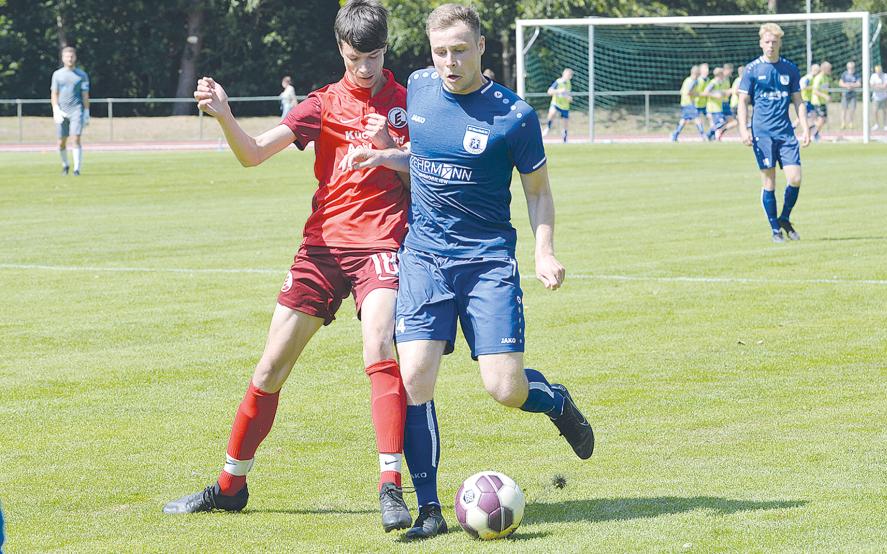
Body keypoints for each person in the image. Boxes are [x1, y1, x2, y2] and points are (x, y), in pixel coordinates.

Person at [339, 3, 594, 541]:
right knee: (413, 379)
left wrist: (543, 252)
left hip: (486, 264)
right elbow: (429, 159)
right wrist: (386, 159)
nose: (449, 62)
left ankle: (555, 400)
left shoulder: (515, 117)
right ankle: (429, 509)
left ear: (481, 47)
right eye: (440, 52)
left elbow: (539, 192)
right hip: (426, 257)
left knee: (504, 387)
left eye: (459, 50)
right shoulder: (420, 88)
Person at [162, 0, 416, 534]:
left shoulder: (410, 104)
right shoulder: (320, 105)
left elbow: (428, 183)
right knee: (269, 369)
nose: (364, 69)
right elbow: (253, 154)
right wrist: (225, 114)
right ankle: (230, 487)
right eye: (354, 58)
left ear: (385, 48)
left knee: (380, 345)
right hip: (322, 247)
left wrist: (391, 148)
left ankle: (390, 487)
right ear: (340, 51)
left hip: (383, 245)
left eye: (372, 56)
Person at [737, 23, 810, 243]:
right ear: (761, 43)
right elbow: (742, 101)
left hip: (786, 134)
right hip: (763, 134)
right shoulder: (752, 70)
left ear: (780, 43)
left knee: (795, 178)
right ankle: (775, 230)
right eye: (767, 42)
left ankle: (784, 218)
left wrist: (805, 127)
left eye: (774, 42)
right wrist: (743, 129)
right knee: (769, 183)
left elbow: (798, 101)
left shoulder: (790, 68)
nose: (770, 46)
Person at [50, 46, 90, 176]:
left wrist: (87, 112)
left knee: (76, 138)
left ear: (75, 57)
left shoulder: (82, 75)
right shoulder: (57, 75)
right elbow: (54, 94)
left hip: (76, 110)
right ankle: (65, 165)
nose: (70, 59)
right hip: (62, 111)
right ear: (63, 58)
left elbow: (85, 94)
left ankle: (77, 169)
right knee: (61, 142)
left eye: (72, 56)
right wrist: (56, 109)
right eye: (67, 56)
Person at [671, 65, 705, 141]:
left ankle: (675, 134)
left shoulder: (687, 80)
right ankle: (703, 135)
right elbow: (689, 92)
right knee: (697, 118)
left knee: (684, 120)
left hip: (684, 102)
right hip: (689, 103)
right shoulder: (694, 81)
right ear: (696, 73)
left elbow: (681, 91)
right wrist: (697, 94)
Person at [542, 67, 574, 143]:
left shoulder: (569, 83)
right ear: (563, 74)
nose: (568, 76)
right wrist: (559, 91)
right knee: (551, 113)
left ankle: (565, 139)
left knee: (565, 123)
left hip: (565, 105)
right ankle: (548, 127)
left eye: (569, 75)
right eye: (567, 74)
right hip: (556, 103)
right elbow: (549, 91)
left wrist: (569, 98)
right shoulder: (558, 82)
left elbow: (568, 95)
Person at [703, 67, 728, 140]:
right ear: (719, 75)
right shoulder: (713, 83)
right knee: (722, 122)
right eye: (722, 74)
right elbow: (705, 92)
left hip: (718, 107)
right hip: (712, 107)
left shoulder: (720, 83)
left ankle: (711, 136)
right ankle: (708, 134)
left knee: (718, 124)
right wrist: (715, 95)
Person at [810, 61, 832, 141]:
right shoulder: (818, 78)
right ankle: (814, 134)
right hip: (817, 102)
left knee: (823, 120)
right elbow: (815, 91)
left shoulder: (826, 78)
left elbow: (824, 89)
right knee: (821, 119)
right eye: (829, 69)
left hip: (823, 102)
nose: (830, 70)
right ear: (824, 69)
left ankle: (812, 128)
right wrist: (825, 96)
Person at [838, 61, 861, 130]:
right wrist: (846, 85)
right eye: (849, 67)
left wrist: (852, 85)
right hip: (845, 94)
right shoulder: (844, 74)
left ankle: (851, 123)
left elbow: (859, 84)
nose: (851, 69)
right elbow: (840, 83)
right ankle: (843, 123)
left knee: (852, 109)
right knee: (844, 109)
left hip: (853, 94)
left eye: (852, 67)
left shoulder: (856, 74)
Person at [797, 63, 819, 133]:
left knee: (810, 115)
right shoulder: (808, 78)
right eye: (817, 71)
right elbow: (803, 87)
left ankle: (811, 129)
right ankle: (810, 130)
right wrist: (813, 88)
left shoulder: (813, 78)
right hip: (805, 99)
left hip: (809, 100)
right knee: (803, 116)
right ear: (814, 70)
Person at [870, 64, 887, 130]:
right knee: (875, 111)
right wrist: (880, 86)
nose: (878, 72)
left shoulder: (885, 75)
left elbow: (885, 86)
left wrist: (878, 86)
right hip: (876, 97)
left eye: (879, 71)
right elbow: (872, 85)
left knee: (885, 111)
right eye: (877, 71)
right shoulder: (873, 76)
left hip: (884, 96)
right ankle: (876, 124)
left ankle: (885, 125)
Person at [695, 62, 711, 133]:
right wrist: (704, 94)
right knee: (697, 119)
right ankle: (702, 134)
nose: (707, 70)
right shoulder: (697, 80)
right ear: (700, 70)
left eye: (707, 68)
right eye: (705, 69)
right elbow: (695, 93)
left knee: (710, 117)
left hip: (705, 104)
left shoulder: (708, 80)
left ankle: (710, 134)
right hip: (696, 103)